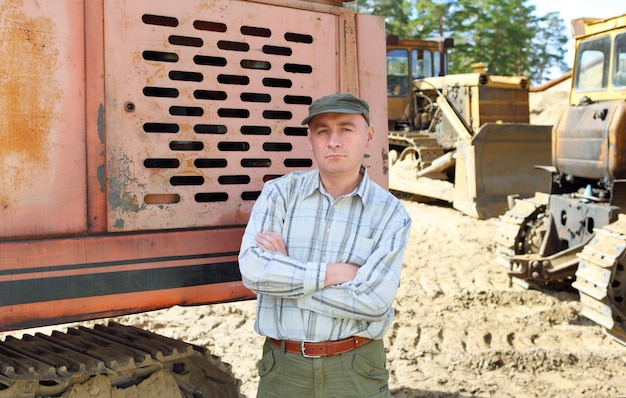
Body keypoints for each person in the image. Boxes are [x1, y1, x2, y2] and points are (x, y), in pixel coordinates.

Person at [238, 92, 412, 398]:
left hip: (355, 371)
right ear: (310, 139)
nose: (334, 141)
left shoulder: (390, 213)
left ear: (369, 136)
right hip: (283, 371)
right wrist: (336, 273)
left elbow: (373, 302)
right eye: (322, 131)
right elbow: (253, 271)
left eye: (346, 129)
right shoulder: (280, 194)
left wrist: (287, 279)